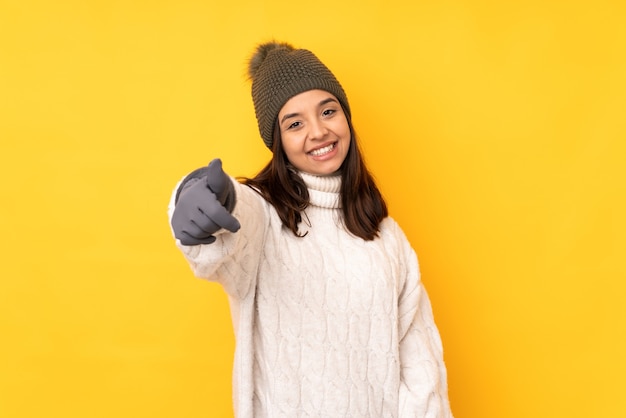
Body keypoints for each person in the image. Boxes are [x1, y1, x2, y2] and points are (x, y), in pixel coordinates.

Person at [168, 41, 453, 417]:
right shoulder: (264, 214)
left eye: (328, 111)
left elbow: (421, 372)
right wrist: (196, 192)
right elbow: (233, 219)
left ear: (345, 117)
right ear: (279, 142)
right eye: (295, 123)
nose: (318, 131)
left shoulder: (386, 235)